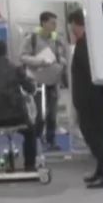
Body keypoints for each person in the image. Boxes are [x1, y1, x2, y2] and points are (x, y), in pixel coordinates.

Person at [69, 9, 103, 188]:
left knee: (95, 137)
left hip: (90, 100)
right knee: (97, 136)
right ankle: (102, 170)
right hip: (92, 99)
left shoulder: (84, 44)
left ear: (75, 24)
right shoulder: (92, 42)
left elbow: (93, 72)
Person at [0, 39, 37, 172]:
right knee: (30, 132)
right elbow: (30, 89)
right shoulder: (16, 69)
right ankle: (30, 165)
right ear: (5, 52)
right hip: (17, 117)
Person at [20, 11, 68, 150]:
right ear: (44, 23)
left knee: (52, 114)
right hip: (36, 81)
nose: (55, 25)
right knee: (39, 115)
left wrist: (61, 60)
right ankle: (35, 142)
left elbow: (61, 56)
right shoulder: (32, 38)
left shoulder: (56, 39)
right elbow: (23, 57)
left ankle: (50, 141)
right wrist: (39, 61)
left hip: (52, 81)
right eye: (52, 22)